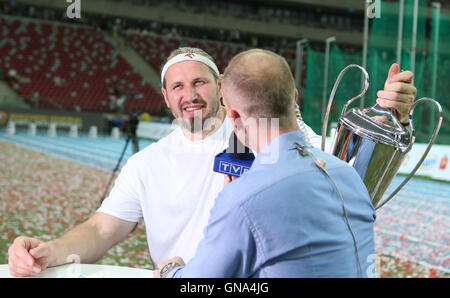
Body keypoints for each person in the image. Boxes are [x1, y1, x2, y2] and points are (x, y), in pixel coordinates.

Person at [7, 47, 416, 277]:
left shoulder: (260, 130)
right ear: (165, 96)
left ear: (221, 88)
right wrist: (50, 251)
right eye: (178, 86)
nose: (191, 94)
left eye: (200, 81)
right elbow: (100, 229)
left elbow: (339, 172)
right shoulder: (146, 164)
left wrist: (386, 115)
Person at [155, 49, 376, 278]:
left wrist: (170, 270)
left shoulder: (241, 198)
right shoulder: (348, 176)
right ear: (294, 98)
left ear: (234, 117)